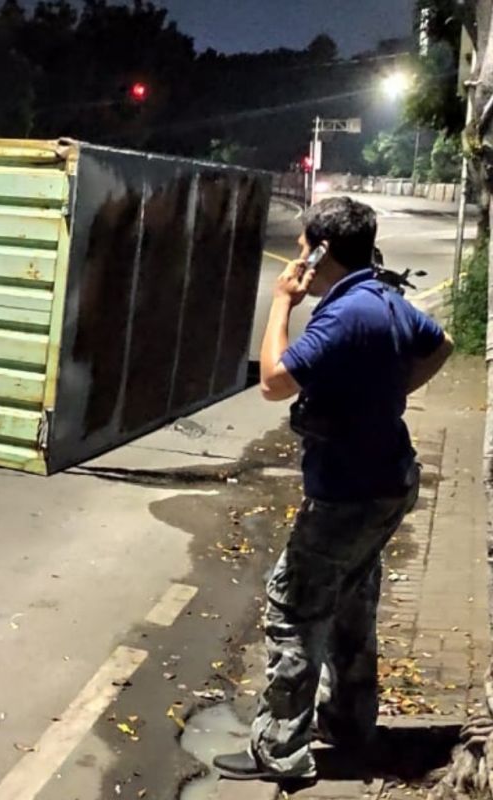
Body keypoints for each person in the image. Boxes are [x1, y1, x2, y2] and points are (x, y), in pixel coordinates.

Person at [213, 197, 454, 782]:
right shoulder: (384, 300)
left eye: (302, 247)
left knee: (294, 609)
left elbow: (272, 381)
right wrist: (388, 397)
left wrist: (281, 306)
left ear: (321, 251)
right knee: (351, 603)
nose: (297, 258)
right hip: (387, 480)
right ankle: (348, 723)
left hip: (348, 491)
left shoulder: (344, 315)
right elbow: (440, 345)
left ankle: (281, 750)